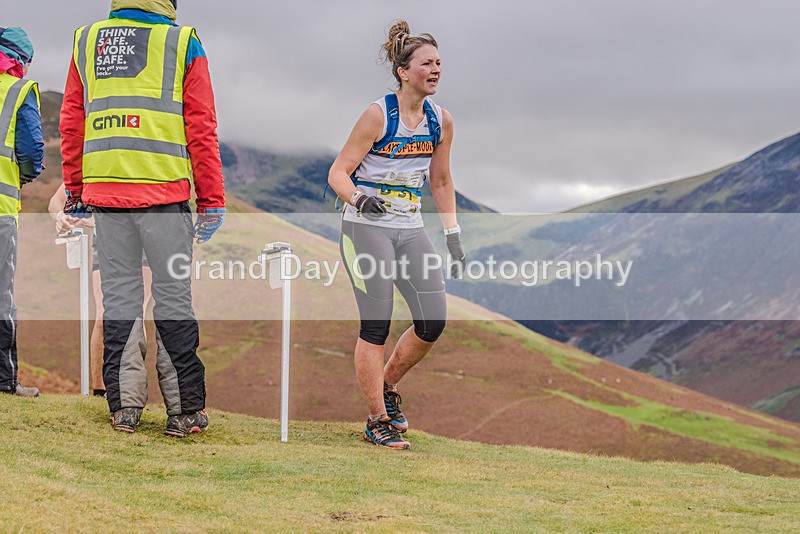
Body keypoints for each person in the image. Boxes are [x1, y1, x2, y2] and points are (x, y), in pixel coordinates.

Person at [60, 0, 225, 437]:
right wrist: (211, 200)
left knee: (119, 301)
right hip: (164, 196)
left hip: (106, 195)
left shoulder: (86, 40)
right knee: (173, 301)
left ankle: (124, 409)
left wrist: (76, 189)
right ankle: (184, 411)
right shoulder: (182, 41)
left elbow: (72, 121)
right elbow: (201, 126)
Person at [327, 21, 466, 450]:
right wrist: (359, 199)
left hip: (410, 228)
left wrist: (453, 235)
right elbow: (338, 172)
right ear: (403, 72)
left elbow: (441, 181)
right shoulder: (377, 115)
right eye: (427, 63)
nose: (436, 69)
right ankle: (377, 421)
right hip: (365, 228)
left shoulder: (440, 121)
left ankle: (385, 386)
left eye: (439, 63)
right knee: (376, 325)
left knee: (432, 322)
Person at [49, 184, 153, 398]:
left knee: (135, 314)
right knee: (103, 317)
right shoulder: (90, 165)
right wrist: (61, 217)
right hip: (105, 243)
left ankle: (130, 390)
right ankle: (99, 392)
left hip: (144, 241)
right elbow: (56, 201)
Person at [0, 27, 44, 398]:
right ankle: (4, 381)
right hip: (1, 209)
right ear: (20, 61)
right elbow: (31, 152)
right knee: (2, 295)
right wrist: (23, 176)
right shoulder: (18, 91)